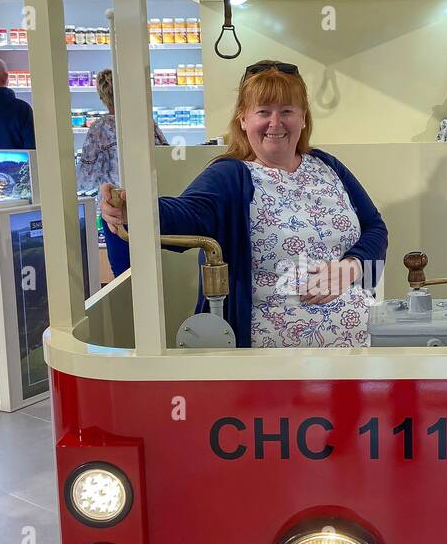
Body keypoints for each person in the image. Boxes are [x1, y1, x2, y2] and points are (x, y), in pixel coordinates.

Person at [99, 62, 387, 347]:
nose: (275, 123)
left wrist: (353, 267)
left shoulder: (328, 166)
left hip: (363, 353)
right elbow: (187, 214)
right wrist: (133, 209)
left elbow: (375, 228)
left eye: (287, 111)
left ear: (303, 118)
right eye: (263, 111)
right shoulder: (231, 175)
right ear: (243, 119)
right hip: (274, 367)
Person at [76, 67, 168, 278]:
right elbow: (166, 157)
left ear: (102, 96)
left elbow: (85, 180)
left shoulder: (98, 129)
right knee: (152, 272)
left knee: (125, 275)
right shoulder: (146, 123)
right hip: (150, 205)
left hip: (116, 208)